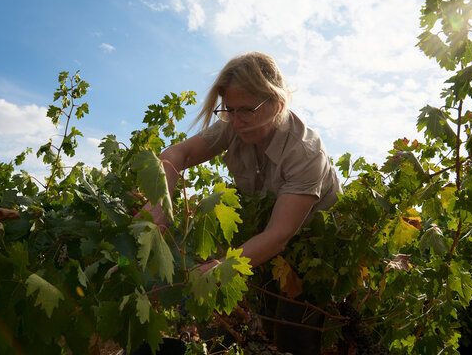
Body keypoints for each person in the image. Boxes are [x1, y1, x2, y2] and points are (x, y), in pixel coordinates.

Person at [141, 51, 342, 355]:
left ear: (277, 103)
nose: (236, 121)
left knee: (293, 329)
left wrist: (218, 267)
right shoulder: (231, 126)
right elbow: (176, 155)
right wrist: (160, 209)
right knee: (254, 323)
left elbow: (278, 235)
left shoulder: (305, 152)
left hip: (315, 248)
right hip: (264, 236)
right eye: (229, 110)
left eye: (246, 110)